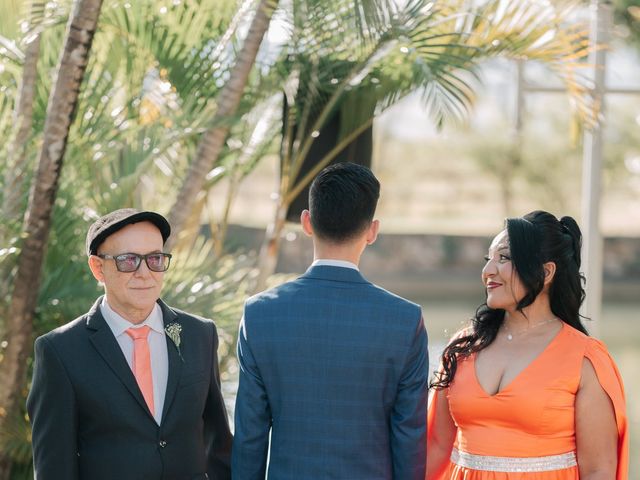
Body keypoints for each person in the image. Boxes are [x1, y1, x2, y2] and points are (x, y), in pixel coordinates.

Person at [232, 162, 429, 479]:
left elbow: (249, 438)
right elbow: (409, 439)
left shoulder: (259, 314)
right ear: (372, 231)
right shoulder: (405, 320)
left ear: (306, 222)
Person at [27, 208, 232, 480]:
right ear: (97, 268)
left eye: (155, 259)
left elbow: (218, 442)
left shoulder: (200, 334)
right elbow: (54, 467)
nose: (145, 273)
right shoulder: (60, 350)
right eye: (128, 260)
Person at [426, 210, 628, 480]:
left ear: (546, 272)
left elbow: (598, 470)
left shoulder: (585, 358)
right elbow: (437, 446)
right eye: (489, 260)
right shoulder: (462, 347)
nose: (487, 271)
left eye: (505, 258)